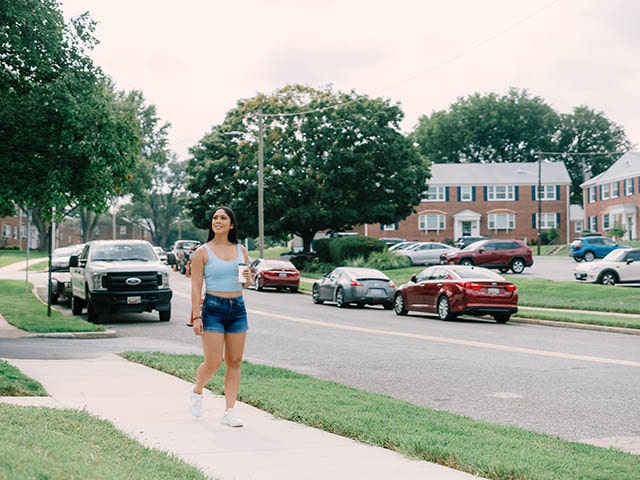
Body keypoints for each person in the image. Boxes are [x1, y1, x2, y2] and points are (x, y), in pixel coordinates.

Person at [189, 206, 251, 427]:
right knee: (213, 362)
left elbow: (246, 283)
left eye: (223, 218)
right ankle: (197, 391)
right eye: (215, 217)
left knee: (234, 362)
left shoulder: (241, 250)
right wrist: (197, 317)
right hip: (213, 308)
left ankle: (230, 411)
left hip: (237, 308)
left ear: (231, 225)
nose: (218, 220)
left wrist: (247, 276)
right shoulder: (202, 252)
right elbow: (196, 287)